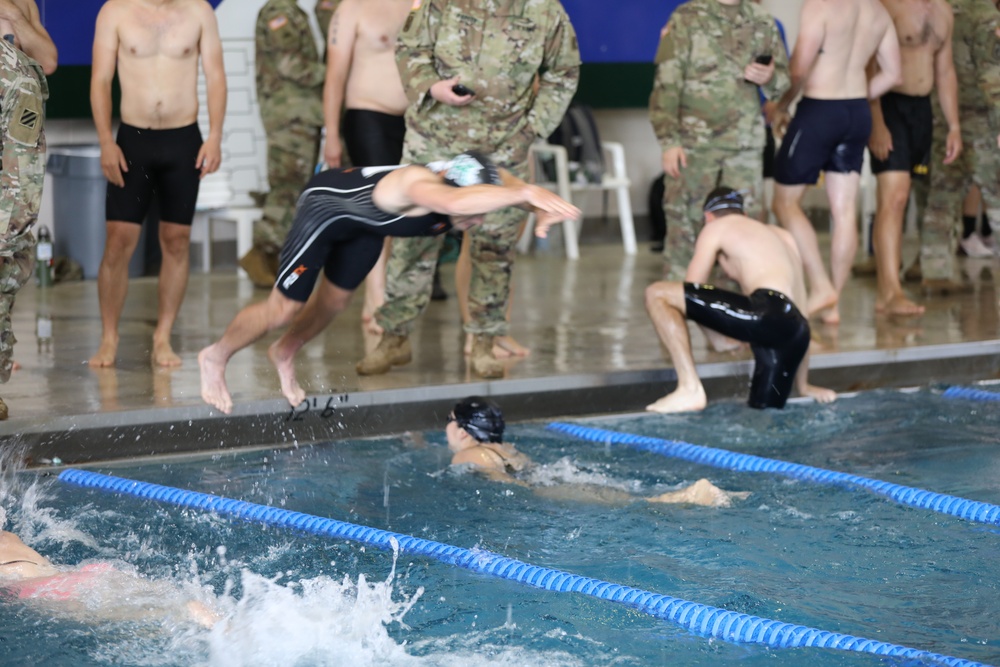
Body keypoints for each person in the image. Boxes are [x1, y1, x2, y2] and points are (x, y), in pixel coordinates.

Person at [199, 152, 581, 415]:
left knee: (333, 303)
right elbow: (455, 204)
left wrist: (539, 207)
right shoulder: (418, 184)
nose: (478, 221)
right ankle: (215, 356)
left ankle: (284, 352)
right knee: (284, 308)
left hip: (364, 228)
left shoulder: (477, 179)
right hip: (324, 209)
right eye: (476, 211)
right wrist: (524, 194)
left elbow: (509, 190)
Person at [356, 0, 580, 379]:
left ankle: (483, 341)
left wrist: (532, 129)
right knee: (413, 239)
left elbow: (564, 72)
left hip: (503, 147)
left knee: (495, 244)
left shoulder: (545, 10)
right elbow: (411, 49)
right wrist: (433, 87)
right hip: (433, 140)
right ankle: (394, 337)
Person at [89, 0, 227, 368]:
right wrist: (106, 141)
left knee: (177, 241)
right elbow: (101, 79)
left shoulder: (199, 12)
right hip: (133, 141)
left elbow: (215, 75)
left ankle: (163, 336)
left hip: (184, 140)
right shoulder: (115, 12)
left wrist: (214, 136)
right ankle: (109, 338)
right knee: (118, 241)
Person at [644, 187, 837, 414]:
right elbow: (801, 314)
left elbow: (691, 290)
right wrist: (804, 386)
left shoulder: (716, 227)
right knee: (763, 414)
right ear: (744, 214)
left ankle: (689, 387)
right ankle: (798, 389)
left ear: (707, 216)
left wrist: (717, 339)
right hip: (795, 332)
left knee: (657, 293)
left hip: (765, 311)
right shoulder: (782, 236)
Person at [769, 0, 901, 325]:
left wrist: (780, 105)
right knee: (844, 211)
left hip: (819, 110)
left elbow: (799, 68)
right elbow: (894, 73)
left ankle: (821, 286)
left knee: (784, 203)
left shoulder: (820, 5)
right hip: (857, 112)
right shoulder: (878, 11)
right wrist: (856, 95)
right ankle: (833, 306)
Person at [648, 0, 790, 283]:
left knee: (745, 236)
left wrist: (769, 77)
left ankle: (738, 317)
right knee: (686, 234)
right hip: (693, 146)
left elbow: (782, 85)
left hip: (744, 147)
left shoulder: (762, 20)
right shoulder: (687, 17)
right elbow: (666, 84)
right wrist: (669, 141)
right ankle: (681, 306)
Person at [446, 397, 748, 507]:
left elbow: (510, 487)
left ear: (462, 431)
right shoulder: (507, 449)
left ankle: (694, 494)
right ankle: (713, 493)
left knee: (636, 503)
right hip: (558, 480)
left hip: (547, 491)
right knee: (629, 497)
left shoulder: (468, 454)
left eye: (449, 420)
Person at [322, 0, 412, 333]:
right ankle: (375, 296)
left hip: (414, 119)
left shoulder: (418, 4)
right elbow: (335, 75)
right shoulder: (351, 9)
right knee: (382, 207)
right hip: (367, 114)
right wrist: (331, 134)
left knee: (408, 207)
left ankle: (390, 288)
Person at [868, 0, 960, 317]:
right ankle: (888, 291)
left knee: (904, 197)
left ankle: (891, 290)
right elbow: (870, 64)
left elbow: (945, 70)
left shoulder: (943, 11)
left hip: (922, 111)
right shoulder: (888, 5)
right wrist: (876, 122)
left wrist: (954, 126)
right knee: (893, 198)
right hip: (889, 107)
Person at [916, 0, 1000, 289]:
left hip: (944, 117)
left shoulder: (946, 10)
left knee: (942, 197)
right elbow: (993, 78)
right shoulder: (986, 17)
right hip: (984, 124)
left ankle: (935, 273)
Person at [243, 0, 325, 288]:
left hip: (300, 113)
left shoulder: (291, 11)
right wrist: (334, 73)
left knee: (295, 185)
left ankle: (274, 255)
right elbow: (290, 64)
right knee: (288, 186)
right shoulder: (279, 13)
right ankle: (261, 252)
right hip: (291, 114)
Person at [0, 0, 55, 421]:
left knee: (6, 269)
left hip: (13, 172)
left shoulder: (23, 5)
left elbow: (49, 61)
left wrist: (15, 16)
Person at [0, 530, 218, 627]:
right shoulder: (8, 536)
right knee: (166, 596)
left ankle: (192, 615)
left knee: (156, 623)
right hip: (88, 573)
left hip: (58, 590)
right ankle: (224, 622)